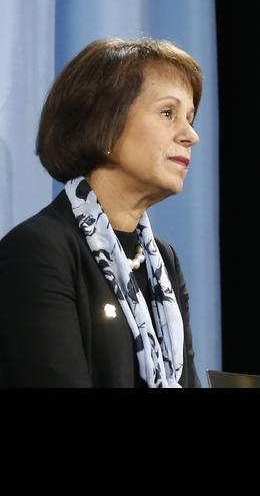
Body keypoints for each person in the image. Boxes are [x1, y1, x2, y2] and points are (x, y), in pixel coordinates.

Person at [0, 38, 203, 387]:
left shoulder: (163, 260)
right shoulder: (38, 252)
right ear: (103, 125)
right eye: (168, 113)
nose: (191, 135)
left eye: (190, 118)